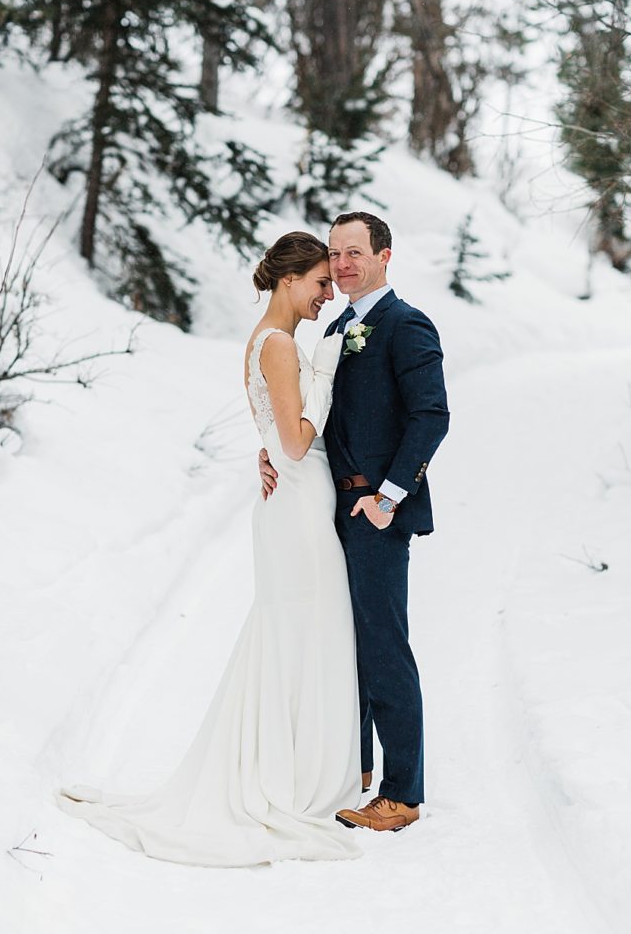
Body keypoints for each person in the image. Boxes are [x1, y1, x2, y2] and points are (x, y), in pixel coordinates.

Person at [57, 232, 363, 866]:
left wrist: (275, 443)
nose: (327, 293)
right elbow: (298, 442)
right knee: (305, 632)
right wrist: (326, 378)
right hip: (299, 511)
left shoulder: (266, 341)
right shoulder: (279, 345)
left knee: (298, 634)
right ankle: (291, 776)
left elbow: (276, 436)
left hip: (294, 505)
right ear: (288, 281)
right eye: (319, 283)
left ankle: (294, 762)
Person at [260, 211, 449, 833]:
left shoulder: (405, 325)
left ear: (384, 255)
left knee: (384, 643)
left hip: (376, 511)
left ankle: (402, 793)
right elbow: (317, 416)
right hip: (327, 507)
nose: (341, 265)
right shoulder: (335, 327)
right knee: (346, 642)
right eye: (334, 255)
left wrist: (388, 496)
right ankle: (356, 769)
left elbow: (431, 417)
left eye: (353, 253)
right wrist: (274, 451)